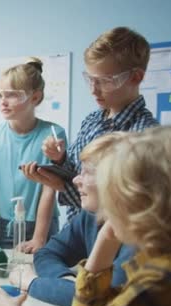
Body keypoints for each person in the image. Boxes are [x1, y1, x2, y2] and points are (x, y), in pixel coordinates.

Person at [0, 125, 171, 306]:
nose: (76, 180)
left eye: (119, 185)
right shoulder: (165, 259)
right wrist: (107, 236)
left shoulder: (162, 282)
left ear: (146, 199)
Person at [22, 27, 158, 221]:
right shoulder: (92, 120)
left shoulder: (145, 137)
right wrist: (60, 160)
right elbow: (76, 172)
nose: (94, 90)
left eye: (105, 81)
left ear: (135, 77)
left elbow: (125, 211)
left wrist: (62, 186)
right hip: (76, 233)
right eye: (90, 80)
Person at [15, 133, 135, 306]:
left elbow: (104, 303)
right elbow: (46, 254)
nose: (76, 180)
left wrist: (33, 283)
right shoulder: (91, 216)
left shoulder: (138, 238)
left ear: (114, 181)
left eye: (87, 172)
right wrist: (68, 283)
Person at [0, 58, 66, 253]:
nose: (3, 102)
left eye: (13, 95)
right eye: (0, 95)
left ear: (35, 97)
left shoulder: (52, 133)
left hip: (39, 226)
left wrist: (39, 239)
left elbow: (50, 189)